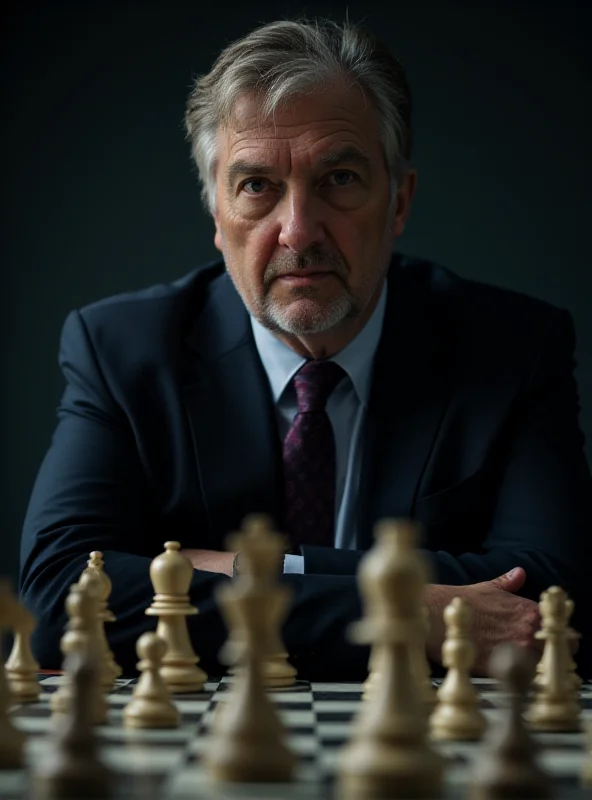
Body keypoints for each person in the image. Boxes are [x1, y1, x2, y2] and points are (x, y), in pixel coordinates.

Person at [19, 17, 592, 681]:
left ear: (398, 201)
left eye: (339, 178)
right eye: (257, 186)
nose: (298, 230)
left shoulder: (511, 348)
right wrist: (409, 611)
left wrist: (255, 568)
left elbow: (552, 602)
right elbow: (63, 597)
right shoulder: (122, 351)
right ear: (216, 214)